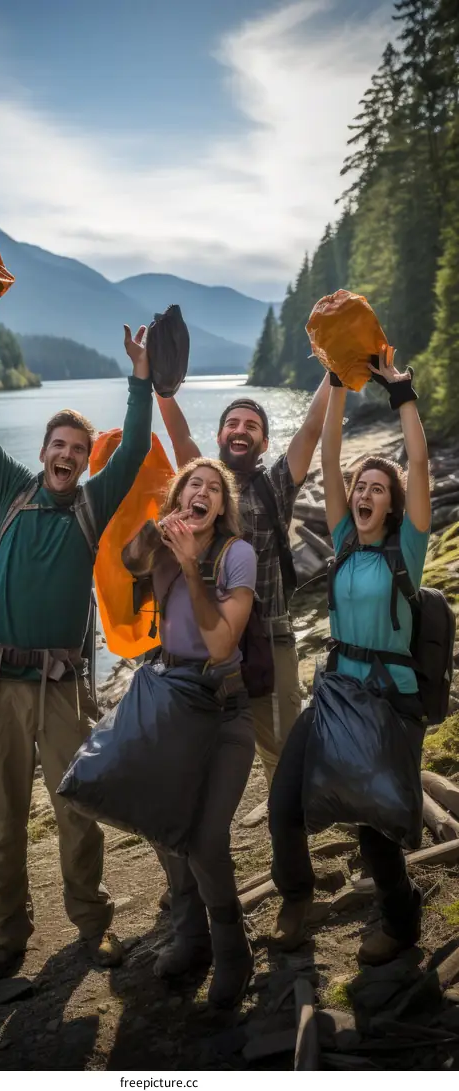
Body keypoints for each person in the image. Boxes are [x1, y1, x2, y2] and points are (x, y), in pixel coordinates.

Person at [0, 292, 152, 979]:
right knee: (0, 816)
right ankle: (8, 934)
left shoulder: (95, 504)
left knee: (77, 810)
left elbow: (136, 440)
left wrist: (140, 377)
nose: (66, 457)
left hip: (63, 691)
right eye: (57, 447)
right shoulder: (11, 489)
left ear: (85, 460)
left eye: (76, 450)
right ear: (41, 453)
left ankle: (91, 923)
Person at [268, 353, 431, 964]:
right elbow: (330, 455)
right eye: (360, 488)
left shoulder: (406, 552)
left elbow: (417, 462)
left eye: (376, 490)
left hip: (389, 700)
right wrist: (336, 380)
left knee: (375, 832)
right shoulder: (341, 541)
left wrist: (401, 392)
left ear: (391, 506)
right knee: (285, 804)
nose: (364, 494)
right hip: (336, 693)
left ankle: (400, 920)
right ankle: (298, 900)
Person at [122, 457, 257, 1008]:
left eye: (212, 489)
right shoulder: (162, 542)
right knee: (164, 825)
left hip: (224, 714)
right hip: (172, 707)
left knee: (204, 838)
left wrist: (192, 565)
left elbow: (223, 643)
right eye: (191, 486)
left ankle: (233, 953)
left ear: (223, 507)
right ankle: (191, 937)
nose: (202, 493)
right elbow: (129, 561)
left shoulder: (237, 555)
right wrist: (159, 530)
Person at [157, 379, 330, 788]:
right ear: (219, 435)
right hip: (204, 642)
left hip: (269, 638)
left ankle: (288, 844)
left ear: (265, 442)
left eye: (251, 425)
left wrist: (332, 370)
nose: (240, 429)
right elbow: (179, 434)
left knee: (284, 753)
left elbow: (309, 428)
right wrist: (161, 384)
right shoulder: (202, 486)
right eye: (232, 422)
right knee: (197, 759)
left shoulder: (276, 486)